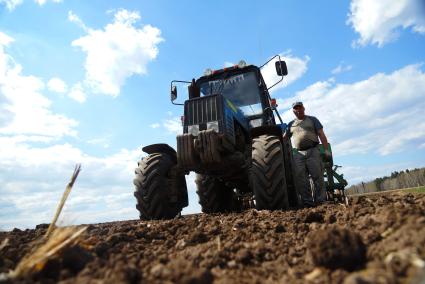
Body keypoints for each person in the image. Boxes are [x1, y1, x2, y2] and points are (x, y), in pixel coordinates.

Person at [283, 101, 331, 207]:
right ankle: (307, 202)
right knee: (302, 179)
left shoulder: (312, 120)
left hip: (313, 151)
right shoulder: (291, 124)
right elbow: (285, 138)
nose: (298, 110)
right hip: (298, 154)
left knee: (317, 176)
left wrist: (326, 150)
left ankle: (320, 201)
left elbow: (321, 135)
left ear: (304, 108)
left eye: (300, 108)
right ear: (293, 111)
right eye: (296, 108)